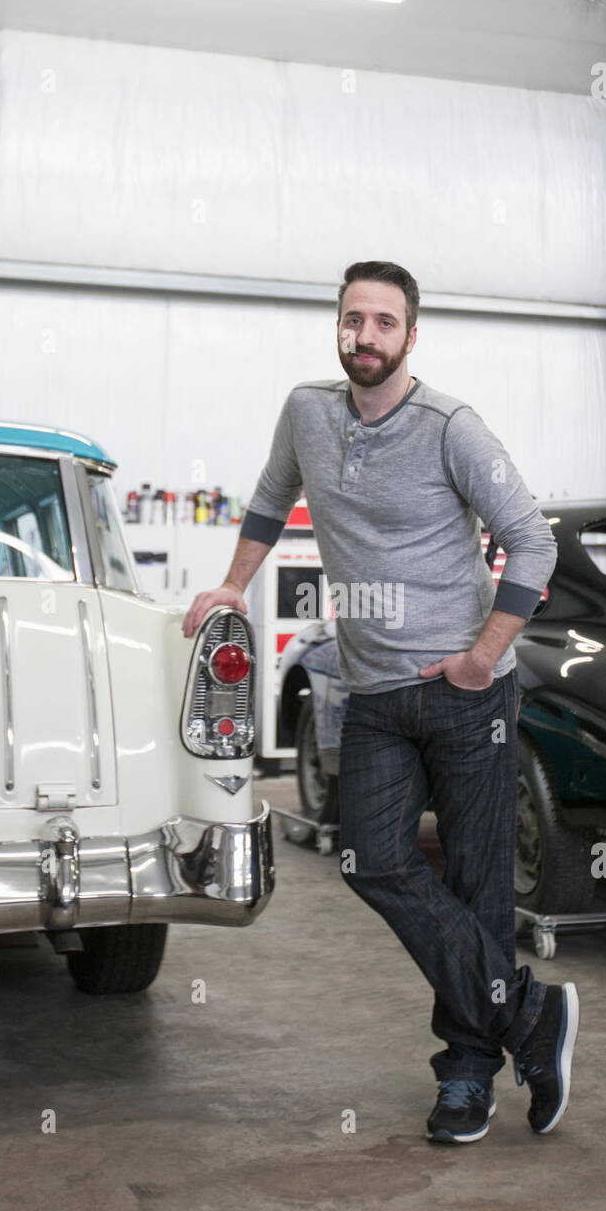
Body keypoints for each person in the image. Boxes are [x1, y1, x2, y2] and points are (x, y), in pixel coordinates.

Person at [183, 259, 579, 1144]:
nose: (364, 337)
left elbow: (530, 544)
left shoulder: (450, 428)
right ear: (338, 326)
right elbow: (265, 502)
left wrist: (482, 658)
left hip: (462, 693)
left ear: (410, 335)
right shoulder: (307, 412)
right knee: (371, 859)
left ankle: (467, 1077)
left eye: (383, 323)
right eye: (351, 320)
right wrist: (227, 588)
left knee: (476, 886)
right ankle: (525, 1016)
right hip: (371, 691)